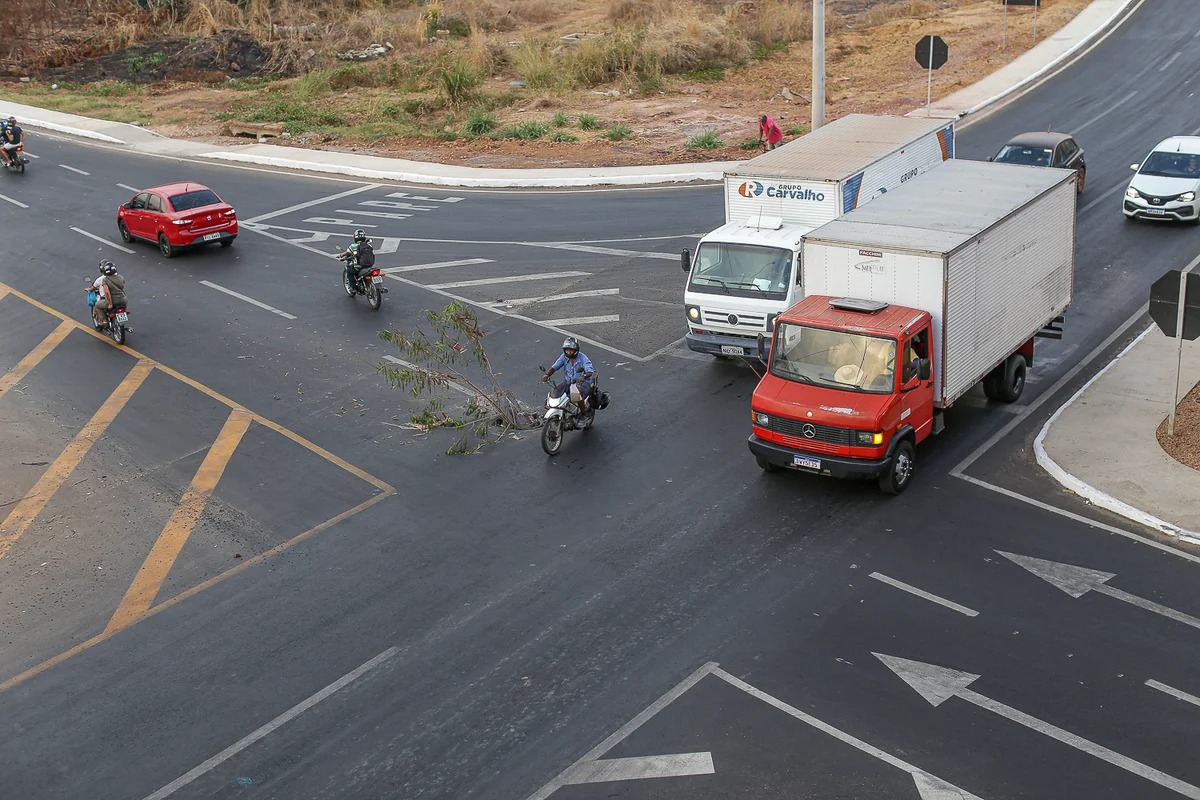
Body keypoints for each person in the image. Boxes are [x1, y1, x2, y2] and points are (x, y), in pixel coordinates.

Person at [543, 336, 594, 410]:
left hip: (582, 382)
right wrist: (547, 375)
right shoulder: (564, 357)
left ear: (576, 350)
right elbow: (555, 367)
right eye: (566, 350)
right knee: (554, 394)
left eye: (570, 350)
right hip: (568, 381)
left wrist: (584, 376)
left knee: (577, 396)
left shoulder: (583, 358)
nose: (568, 352)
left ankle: (583, 413)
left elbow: (589, 371)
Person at [92, 260, 127, 329]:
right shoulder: (120, 277)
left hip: (113, 301)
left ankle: (105, 322)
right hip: (123, 300)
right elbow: (122, 287)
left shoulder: (105, 280)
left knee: (97, 305)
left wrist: (110, 304)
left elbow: (107, 293)